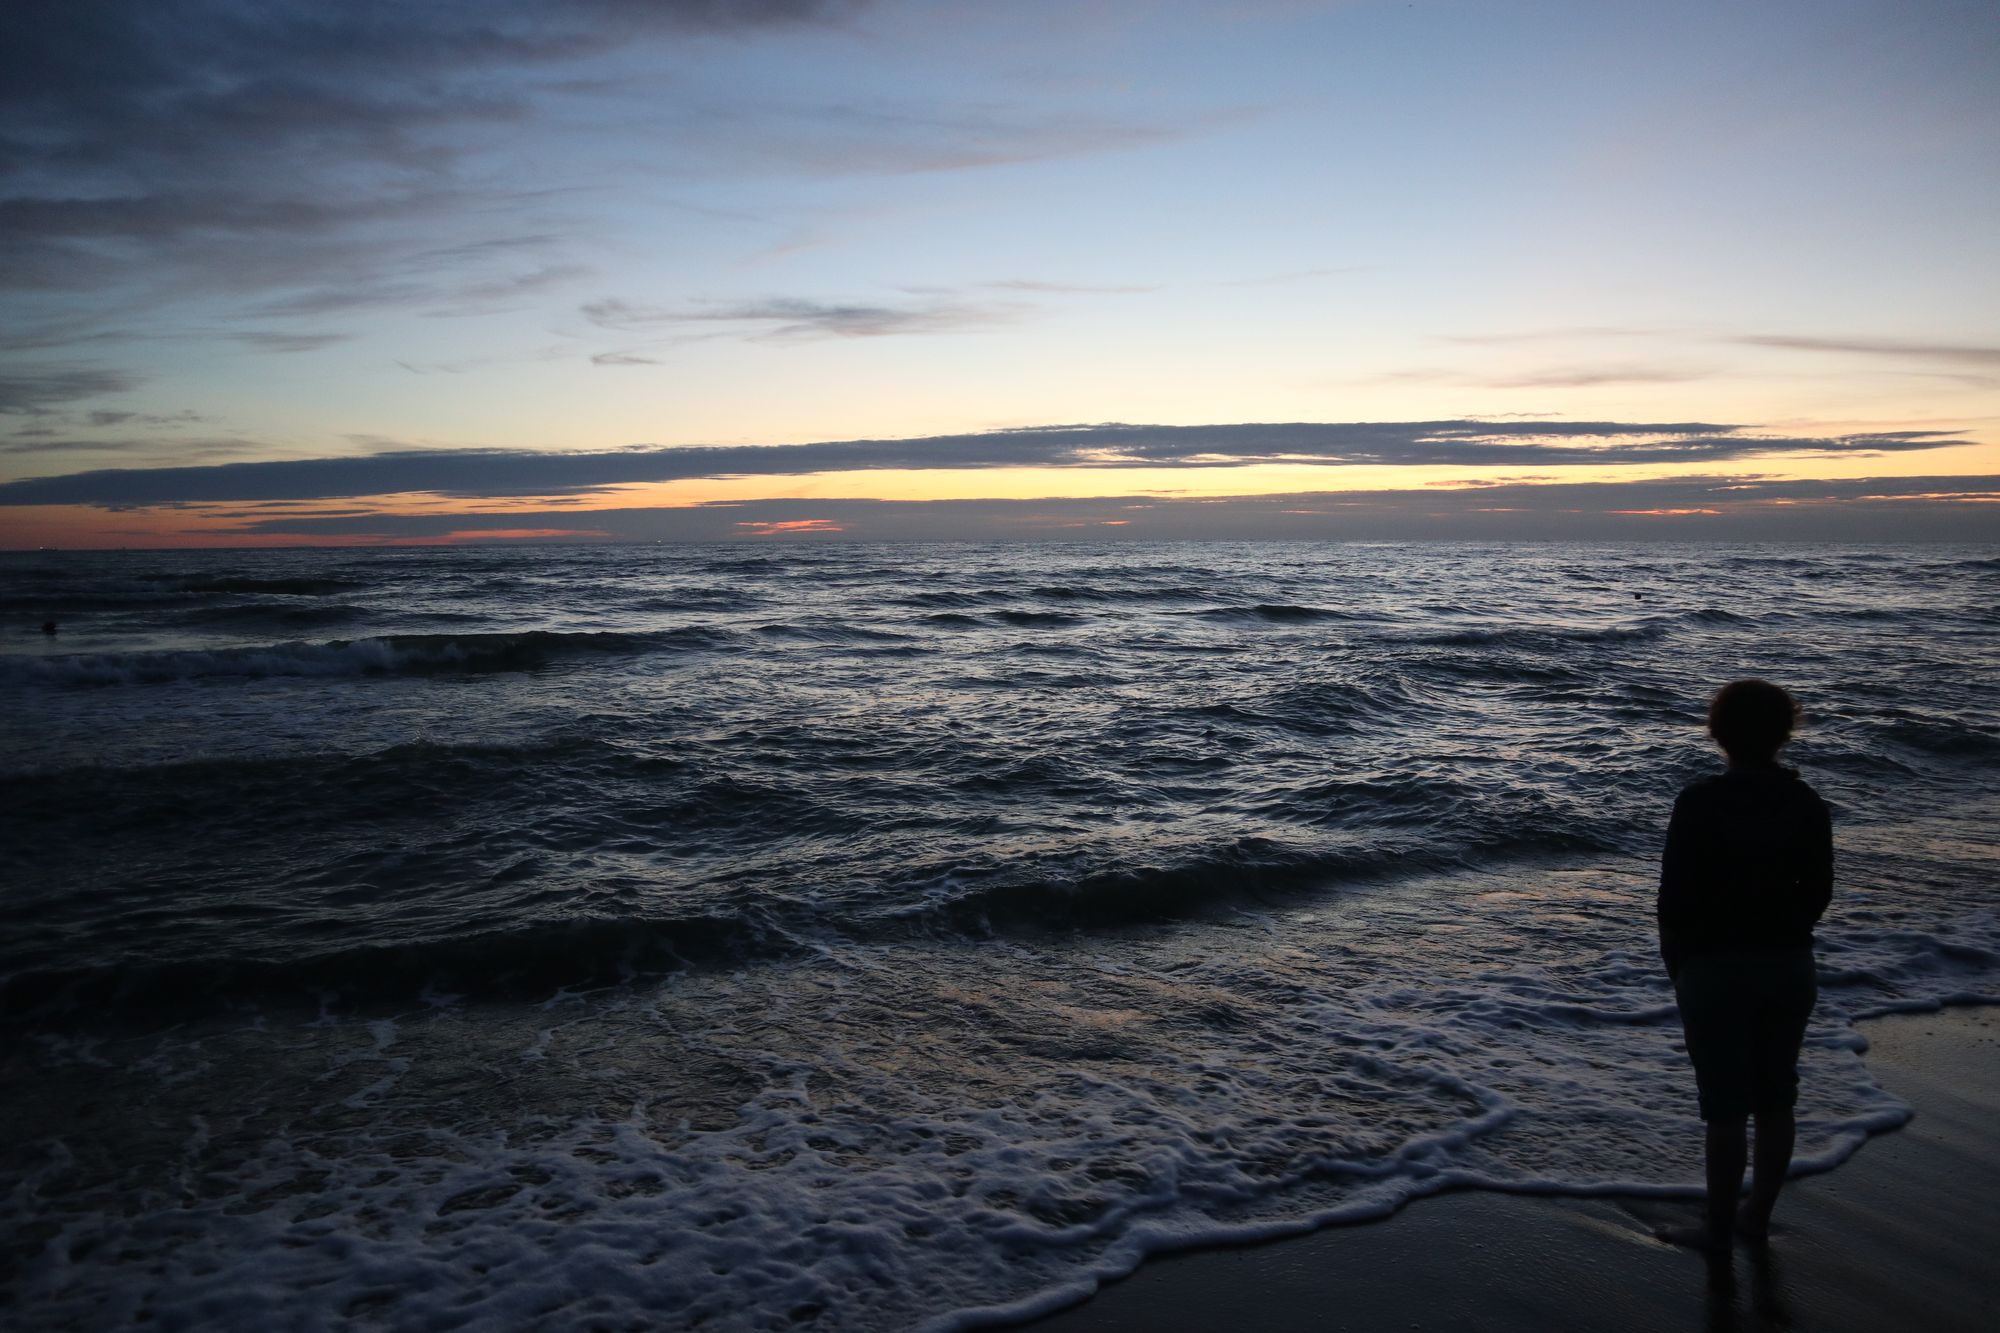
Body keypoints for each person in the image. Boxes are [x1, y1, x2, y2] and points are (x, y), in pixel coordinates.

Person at [1656, 679, 1833, 1252]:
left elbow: (1674, 897)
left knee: (1725, 1106)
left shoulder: (1700, 801)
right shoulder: (1806, 803)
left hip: (1715, 965)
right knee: (1777, 1096)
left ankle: (1719, 1228)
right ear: (1786, 733)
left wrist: (1676, 960)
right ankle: (1755, 1217)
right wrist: (1786, 930)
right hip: (1788, 962)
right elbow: (1820, 890)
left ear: (1716, 731)